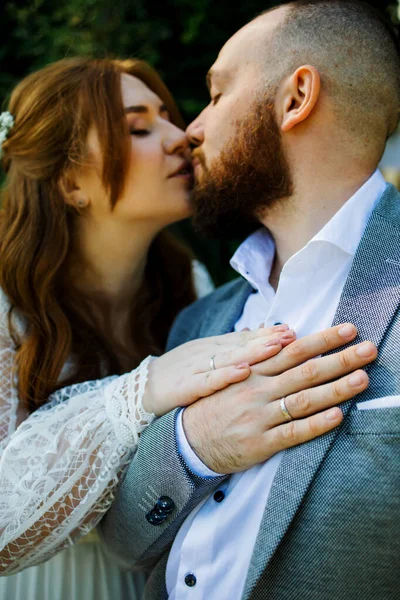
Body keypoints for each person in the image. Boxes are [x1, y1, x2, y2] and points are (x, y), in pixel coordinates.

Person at [0, 55, 371, 600]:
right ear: (70, 182)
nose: (181, 137)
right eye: (139, 128)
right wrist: (141, 390)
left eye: (170, 117)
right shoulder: (6, 306)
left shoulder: (192, 286)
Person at [99, 1, 400, 599]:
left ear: (296, 98)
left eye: (216, 94)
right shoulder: (201, 319)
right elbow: (124, 542)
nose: (191, 131)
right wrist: (194, 444)